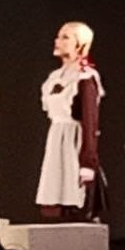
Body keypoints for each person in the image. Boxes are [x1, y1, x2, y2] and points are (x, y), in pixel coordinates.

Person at [35, 21, 106, 221]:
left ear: (80, 44)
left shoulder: (85, 77)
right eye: (58, 36)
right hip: (56, 139)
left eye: (65, 37)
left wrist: (88, 162)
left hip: (74, 143)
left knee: (73, 197)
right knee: (53, 198)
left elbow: (90, 122)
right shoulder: (55, 77)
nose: (57, 41)